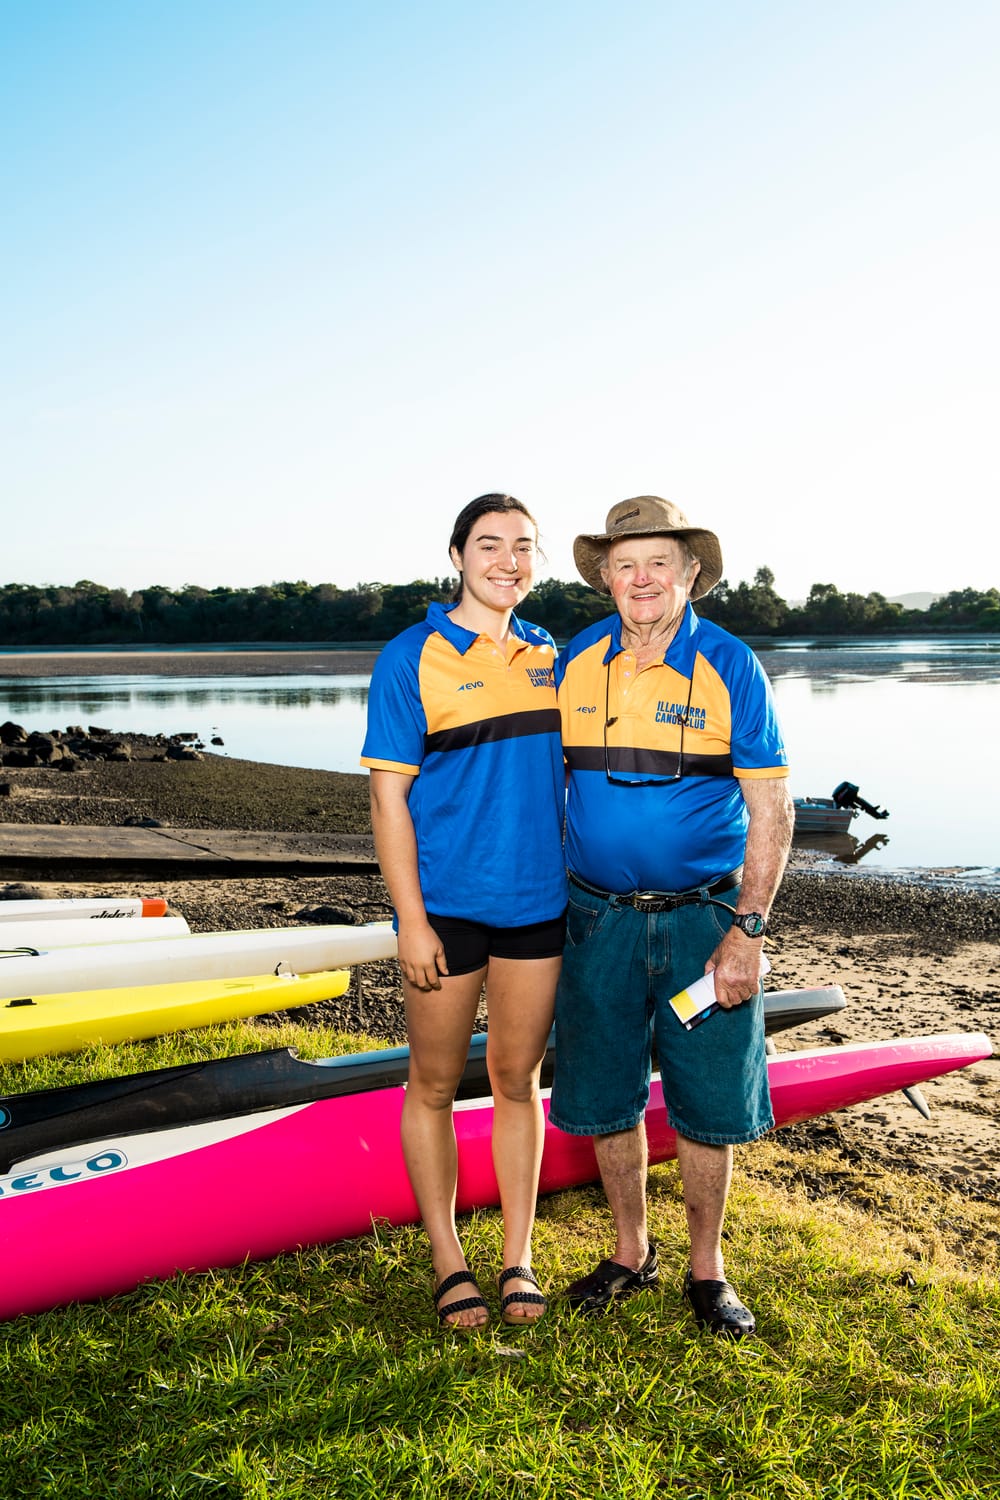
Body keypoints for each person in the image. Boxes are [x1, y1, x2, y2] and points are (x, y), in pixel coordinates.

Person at [551, 495, 794, 1337]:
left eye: (659, 561)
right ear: (606, 578)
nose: (642, 578)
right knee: (604, 1089)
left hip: (704, 920)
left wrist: (748, 931)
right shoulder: (574, 661)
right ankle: (630, 1252)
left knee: (706, 1098)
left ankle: (707, 1269)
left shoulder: (730, 664)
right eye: (625, 564)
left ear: (691, 572)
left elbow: (772, 810)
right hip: (597, 920)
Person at [360, 494, 567, 1330]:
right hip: (445, 908)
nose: (508, 561)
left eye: (524, 546)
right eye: (489, 545)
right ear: (456, 556)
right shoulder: (410, 657)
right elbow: (388, 801)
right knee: (436, 1083)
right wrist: (410, 920)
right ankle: (448, 1258)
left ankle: (517, 1257)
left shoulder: (552, 655)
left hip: (538, 903)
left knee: (519, 1081)